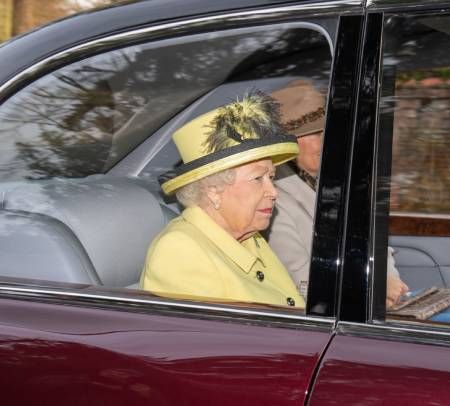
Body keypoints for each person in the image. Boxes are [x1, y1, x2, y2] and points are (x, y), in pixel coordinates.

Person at [140, 90, 305, 308]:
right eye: (258, 178)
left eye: (271, 177)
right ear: (213, 191)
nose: (274, 192)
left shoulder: (248, 236)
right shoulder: (180, 251)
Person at [267, 80, 409, 307]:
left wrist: (388, 278)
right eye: (314, 133)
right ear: (287, 144)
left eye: (329, 131)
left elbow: (375, 246)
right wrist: (372, 288)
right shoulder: (272, 199)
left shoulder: (338, 180)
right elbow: (299, 281)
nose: (327, 142)